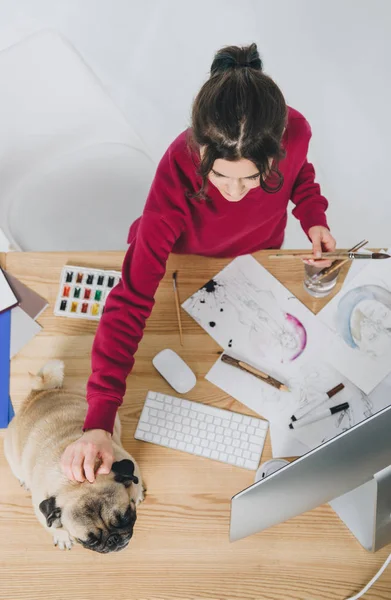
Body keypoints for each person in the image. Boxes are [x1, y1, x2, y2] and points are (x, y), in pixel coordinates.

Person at [60, 43, 336, 483]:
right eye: (220, 176)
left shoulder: (296, 131)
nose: (234, 191)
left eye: (252, 178)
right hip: (183, 260)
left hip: (257, 254)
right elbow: (130, 300)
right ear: (201, 152)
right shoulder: (176, 165)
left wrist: (313, 218)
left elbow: (301, 174)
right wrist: (98, 420)